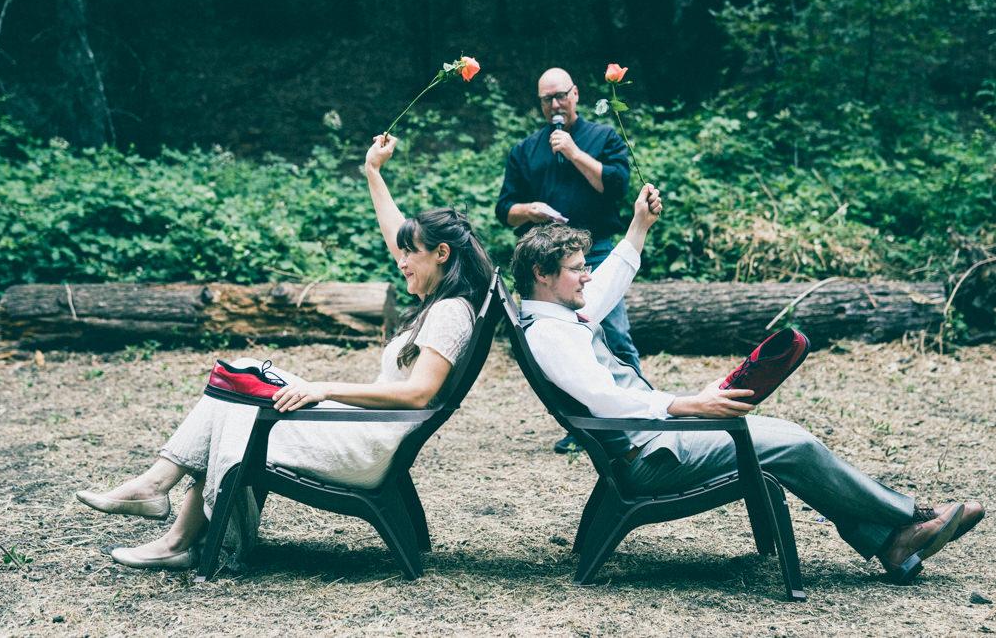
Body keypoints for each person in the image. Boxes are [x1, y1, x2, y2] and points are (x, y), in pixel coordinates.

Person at [509, 182, 984, 584]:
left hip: (657, 440)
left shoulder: (557, 314)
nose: (587, 277)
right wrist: (692, 405)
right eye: (577, 269)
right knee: (793, 443)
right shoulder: (551, 335)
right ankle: (911, 520)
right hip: (652, 458)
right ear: (542, 274)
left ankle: (891, 541)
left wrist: (639, 226)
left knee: (788, 439)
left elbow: (609, 283)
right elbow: (603, 399)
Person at [75, 135, 494, 571]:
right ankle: (157, 491)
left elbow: (417, 395)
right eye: (402, 251)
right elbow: (398, 238)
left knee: (236, 411)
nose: (401, 260)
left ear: (442, 254)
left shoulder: (448, 313)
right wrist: (373, 173)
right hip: (364, 428)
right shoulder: (445, 297)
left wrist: (321, 389)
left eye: (411, 253)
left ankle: (171, 523)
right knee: (244, 373)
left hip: (367, 445)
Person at [495, 67, 637, 454]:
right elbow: (504, 209)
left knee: (614, 334)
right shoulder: (525, 150)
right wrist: (529, 210)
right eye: (547, 99)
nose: (555, 105)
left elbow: (616, 187)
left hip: (597, 250)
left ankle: (637, 412)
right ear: (539, 103)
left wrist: (574, 153)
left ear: (576, 93)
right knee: (559, 342)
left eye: (561, 95)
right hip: (546, 261)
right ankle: (583, 424)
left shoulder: (603, 137)